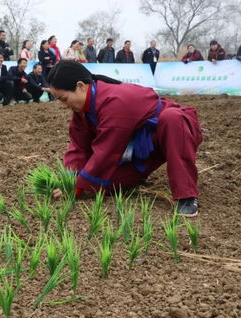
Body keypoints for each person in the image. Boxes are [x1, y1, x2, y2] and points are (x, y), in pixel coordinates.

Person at [47, 61, 202, 217]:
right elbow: (78, 147)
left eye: (64, 99)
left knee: (172, 118)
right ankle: (136, 175)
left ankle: (186, 195)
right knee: (105, 186)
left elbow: (106, 152)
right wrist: (68, 180)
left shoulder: (114, 101)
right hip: (139, 146)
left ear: (81, 86)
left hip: (173, 133)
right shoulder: (82, 111)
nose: (64, 105)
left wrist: (78, 185)